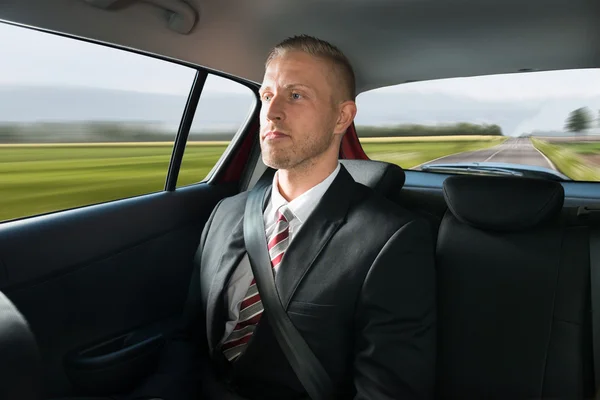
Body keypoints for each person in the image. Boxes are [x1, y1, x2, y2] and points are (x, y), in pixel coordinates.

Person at [131, 35, 436, 400]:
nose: (272, 111)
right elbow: (188, 338)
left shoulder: (392, 239)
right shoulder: (226, 214)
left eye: (295, 95)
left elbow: (387, 391)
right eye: (266, 96)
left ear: (342, 117)